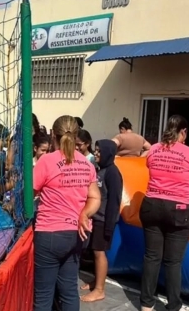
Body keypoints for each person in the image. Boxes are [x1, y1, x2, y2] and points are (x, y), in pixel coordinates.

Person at [33, 115, 101, 311]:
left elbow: (29, 194)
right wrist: (84, 214)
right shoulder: (86, 164)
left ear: (53, 135)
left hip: (50, 233)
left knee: (44, 295)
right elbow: (95, 197)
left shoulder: (47, 161)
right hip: (77, 233)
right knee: (69, 290)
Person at [139, 115, 189, 311]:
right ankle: (173, 305)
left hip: (152, 205)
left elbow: (150, 167)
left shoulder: (154, 149)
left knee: (152, 257)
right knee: (173, 261)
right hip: (179, 209)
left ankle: (146, 304)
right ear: (183, 132)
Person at [81, 139, 123, 303]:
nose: (96, 153)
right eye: (96, 150)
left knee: (99, 253)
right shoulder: (100, 169)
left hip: (104, 219)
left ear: (108, 153)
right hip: (96, 217)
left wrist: (109, 226)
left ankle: (100, 290)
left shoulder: (113, 173)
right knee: (94, 251)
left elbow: (114, 201)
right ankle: (96, 281)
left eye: (99, 151)